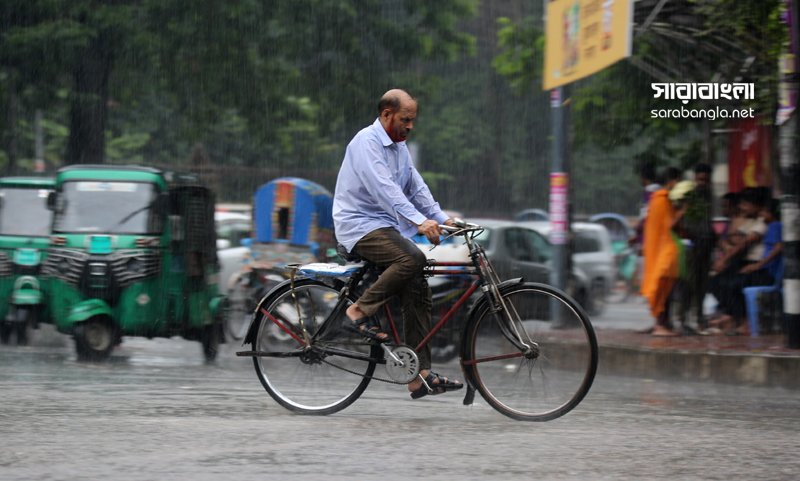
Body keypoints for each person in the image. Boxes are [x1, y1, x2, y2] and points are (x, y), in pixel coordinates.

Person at [332, 89, 463, 399]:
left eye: (413, 121)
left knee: (419, 285)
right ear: (387, 115)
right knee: (412, 258)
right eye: (405, 119)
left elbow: (415, 186)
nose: (410, 126)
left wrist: (443, 219)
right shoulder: (367, 142)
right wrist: (418, 222)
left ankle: (419, 375)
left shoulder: (400, 148)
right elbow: (384, 189)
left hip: (384, 227)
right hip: (358, 226)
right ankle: (359, 310)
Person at [708, 193, 781, 334]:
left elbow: (775, 246)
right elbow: (737, 238)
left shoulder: (771, 225)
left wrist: (757, 265)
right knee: (719, 281)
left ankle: (744, 322)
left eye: (745, 204)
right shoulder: (763, 223)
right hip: (760, 267)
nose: (741, 207)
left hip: (765, 269)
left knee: (733, 284)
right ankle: (732, 317)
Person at [639, 167, 683, 336]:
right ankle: (660, 325)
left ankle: (663, 323)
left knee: (663, 287)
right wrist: (683, 210)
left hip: (657, 249)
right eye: (677, 181)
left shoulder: (657, 199)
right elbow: (671, 225)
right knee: (663, 287)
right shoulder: (662, 199)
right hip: (665, 250)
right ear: (672, 180)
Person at [677, 163, 716, 333]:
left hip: (706, 246)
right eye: (700, 179)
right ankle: (683, 322)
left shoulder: (709, 196)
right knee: (688, 285)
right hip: (691, 247)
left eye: (706, 180)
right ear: (695, 178)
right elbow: (678, 219)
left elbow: (708, 222)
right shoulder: (688, 196)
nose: (703, 183)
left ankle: (699, 320)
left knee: (702, 286)